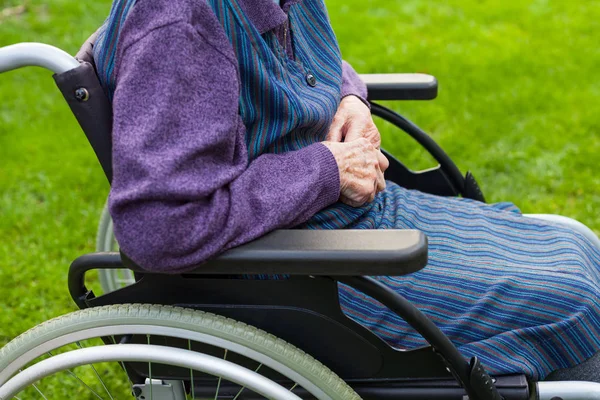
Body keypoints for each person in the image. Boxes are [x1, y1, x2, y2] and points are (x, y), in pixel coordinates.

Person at [92, 0, 600, 382]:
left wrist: (352, 99)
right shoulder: (180, 24)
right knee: (575, 298)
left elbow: (319, 65)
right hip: (297, 271)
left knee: (577, 253)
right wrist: (327, 170)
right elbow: (161, 224)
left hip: (349, 224)